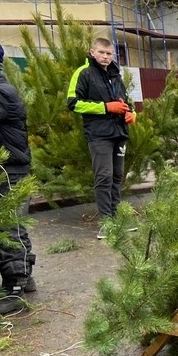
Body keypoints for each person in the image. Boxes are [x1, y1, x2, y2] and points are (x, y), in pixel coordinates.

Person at [67, 38, 136, 239]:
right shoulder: (84, 73)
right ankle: (106, 223)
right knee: (104, 177)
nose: (105, 57)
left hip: (119, 133)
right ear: (92, 52)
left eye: (109, 53)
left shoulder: (116, 76)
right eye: (102, 53)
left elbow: (126, 102)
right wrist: (106, 107)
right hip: (99, 135)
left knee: (116, 177)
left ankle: (117, 220)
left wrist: (131, 115)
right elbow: (74, 103)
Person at [0, 40, 36, 314]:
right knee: (14, 225)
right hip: (7, 169)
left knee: (8, 227)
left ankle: (14, 289)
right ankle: (25, 279)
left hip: (8, 170)